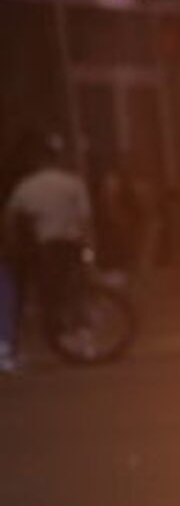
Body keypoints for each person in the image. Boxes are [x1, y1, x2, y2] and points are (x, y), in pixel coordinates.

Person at [7, 135, 95, 353]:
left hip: (46, 247)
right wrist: (90, 247)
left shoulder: (26, 187)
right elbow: (86, 220)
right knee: (78, 290)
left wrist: (14, 247)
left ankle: (59, 335)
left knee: (50, 294)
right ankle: (82, 334)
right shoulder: (72, 183)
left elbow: (10, 220)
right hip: (73, 244)